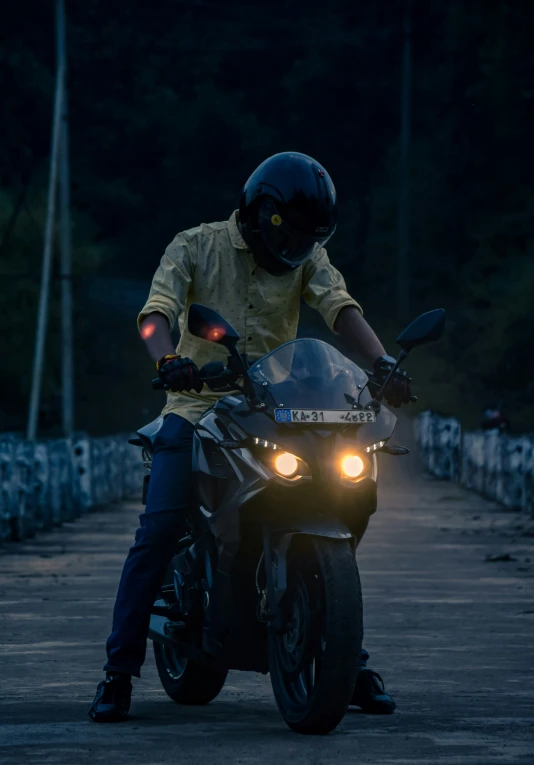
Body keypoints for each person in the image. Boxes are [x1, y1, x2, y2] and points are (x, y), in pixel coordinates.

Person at [89, 152, 412, 723]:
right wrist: (167, 359)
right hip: (196, 404)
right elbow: (153, 313)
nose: (295, 252)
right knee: (161, 524)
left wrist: (382, 363)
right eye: (290, 237)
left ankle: (343, 654)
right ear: (261, 213)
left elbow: (340, 308)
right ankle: (118, 671)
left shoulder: (309, 256)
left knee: (345, 494)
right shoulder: (194, 245)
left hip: (278, 405)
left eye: (308, 241)